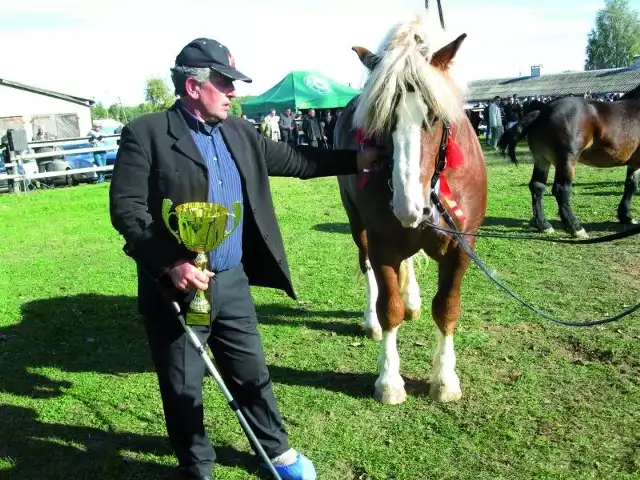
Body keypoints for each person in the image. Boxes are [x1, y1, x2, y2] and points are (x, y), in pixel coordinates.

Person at [109, 37, 383, 480]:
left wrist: (358, 159)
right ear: (193, 87)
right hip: (179, 285)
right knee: (183, 381)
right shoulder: (147, 133)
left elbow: (297, 159)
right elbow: (127, 208)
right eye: (224, 82)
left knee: (251, 370)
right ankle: (197, 463)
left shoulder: (240, 131)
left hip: (231, 278)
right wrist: (172, 264)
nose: (234, 91)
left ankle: (276, 451)